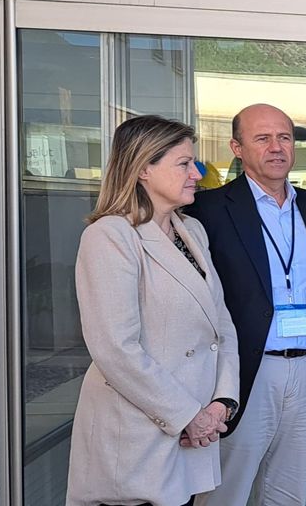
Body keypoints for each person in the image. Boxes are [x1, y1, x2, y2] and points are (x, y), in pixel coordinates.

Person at [66, 115, 239, 506]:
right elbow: (115, 349)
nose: (197, 172)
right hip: (140, 436)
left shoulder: (192, 231)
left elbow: (221, 326)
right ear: (144, 168)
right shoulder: (109, 236)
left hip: (195, 429)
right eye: (184, 163)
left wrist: (221, 403)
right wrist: (187, 416)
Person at [188, 104, 306, 506]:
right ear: (237, 148)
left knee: (289, 490)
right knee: (227, 490)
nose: (277, 147)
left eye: (285, 137)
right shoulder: (208, 210)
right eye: (262, 138)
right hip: (246, 370)